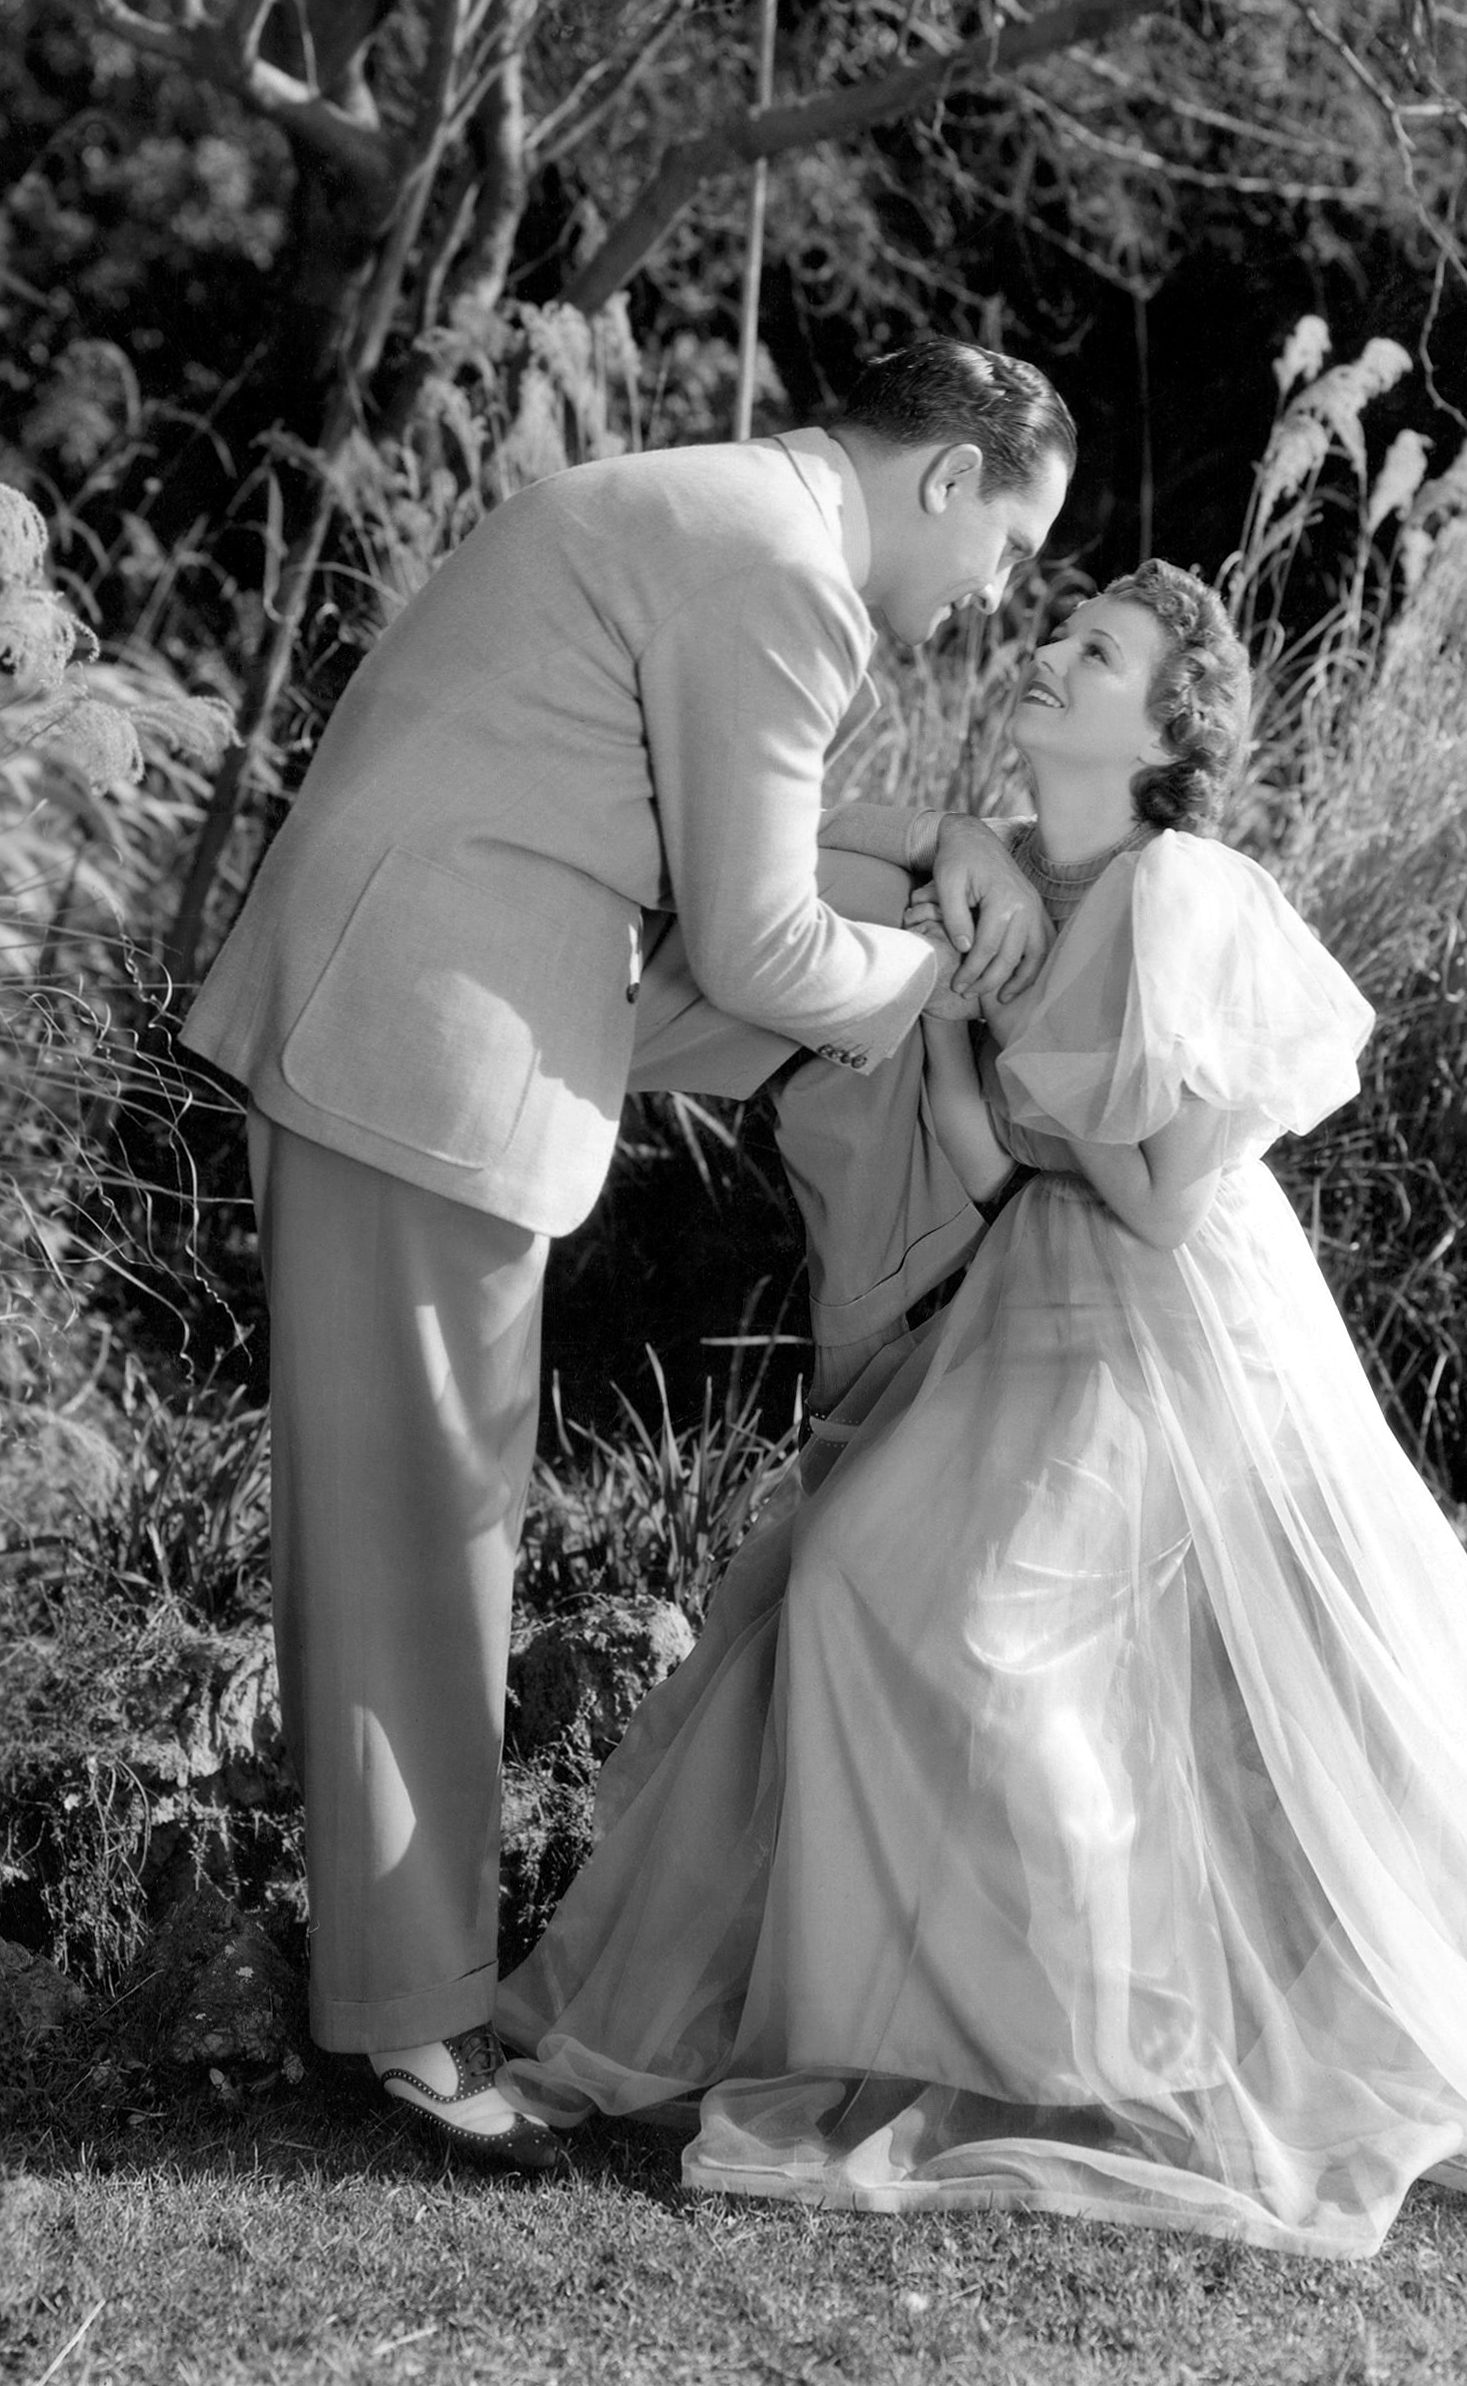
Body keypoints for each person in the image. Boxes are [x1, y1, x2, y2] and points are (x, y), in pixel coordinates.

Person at [495, 559, 1467, 2258]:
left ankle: (1106, 2042)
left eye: (1096, 653)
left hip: (1181, 1324)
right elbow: (969, 1137)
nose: (1047, 654)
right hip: (1039, 1302)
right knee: (862, 1583)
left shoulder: (1185, 890)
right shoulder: (1014, 873)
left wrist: (1027, 1037)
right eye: (1055, 632)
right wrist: (952, 905)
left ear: (1169, 731)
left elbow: (1162, 1196)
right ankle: (992, 2025)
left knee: (978, 1622)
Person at [181, 340, 1076, 2167]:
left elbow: (732, 829)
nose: (1000, 594)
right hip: (423, 1040)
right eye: (1010, 544)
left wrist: (940, 843)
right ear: (945, 477)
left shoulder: (719, 509)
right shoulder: (781, 575)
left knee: (409, 1524)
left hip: (435, 983)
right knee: (426, 1536)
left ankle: (909, 1306)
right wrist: (939, 978)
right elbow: (752, 949)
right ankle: (416, 2023)